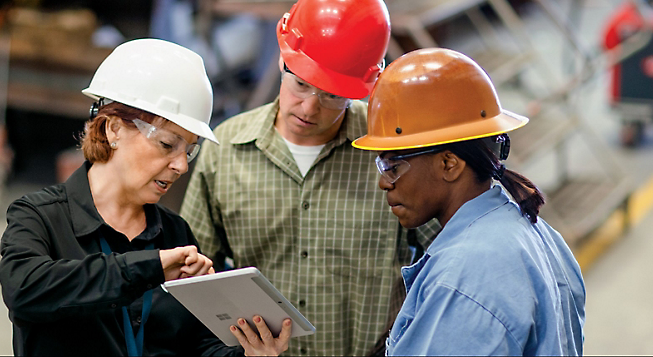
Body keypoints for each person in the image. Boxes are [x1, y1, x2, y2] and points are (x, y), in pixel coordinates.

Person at [0, 38, 291, 356]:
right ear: (113, 129)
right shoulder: (40, 217)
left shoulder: (175, 234)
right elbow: (24, 291)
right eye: (167, 144)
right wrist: (148, 269)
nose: (180, 165)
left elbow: (197, 344)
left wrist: (247, 353)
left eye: (189, 151)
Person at [180, 0, 440, 355]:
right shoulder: (225, 150)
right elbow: (196, 273)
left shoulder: (390, 147)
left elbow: (446, 257)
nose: (309, 107)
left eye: (332, 95)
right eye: (300, 84)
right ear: (281, 58)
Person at [351, 47, 586, 355]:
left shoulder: (462, 279)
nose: (384, 183)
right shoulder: (539, 233)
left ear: (449, 163)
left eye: (393, 167)